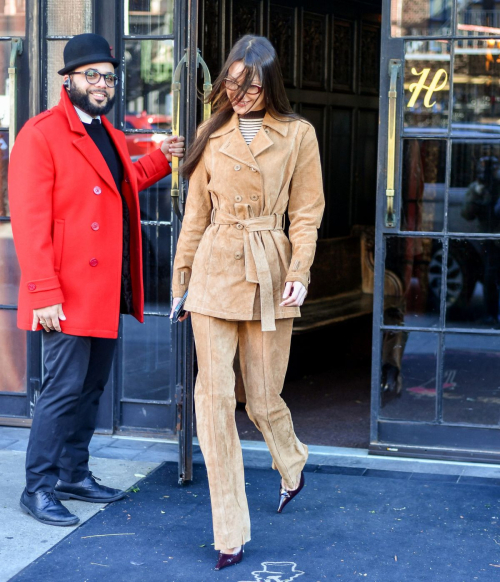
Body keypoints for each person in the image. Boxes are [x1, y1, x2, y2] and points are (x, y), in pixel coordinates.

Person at [9, 33, 185, 527]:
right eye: (92, 75)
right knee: (62, 390)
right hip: (64, 293)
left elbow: (119, 182)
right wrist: (42, 292)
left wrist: (163, 157)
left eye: (108, 76)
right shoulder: (40, 134)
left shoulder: (105, 132)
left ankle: (73, 473)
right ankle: (38, 487)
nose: (102, 83)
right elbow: (28, 222)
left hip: (105, 289)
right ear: (68, 80)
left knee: (91, 388)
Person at [170, 35, 324, 571]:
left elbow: (306, 213)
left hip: (269, 270)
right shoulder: (210, 134)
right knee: (212, 404)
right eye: (232, 83)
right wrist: (181, 282)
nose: (239, 93)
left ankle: (292, 458)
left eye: (250, 84)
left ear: (270, 83)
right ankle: (229, 531)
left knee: (261, 398)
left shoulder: (298, 135)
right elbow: (195, 217)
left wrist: (300, 273)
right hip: (214, 271)